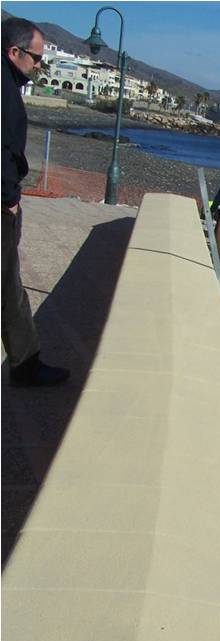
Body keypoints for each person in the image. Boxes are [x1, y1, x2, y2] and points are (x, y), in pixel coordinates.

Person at [2, 17, 69, 387]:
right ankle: (26, 365)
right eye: (36, 58)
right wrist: (10, 200)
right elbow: (5, 153)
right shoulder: (6, 93)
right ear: (15, 52)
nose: (39, 65)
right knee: (7, 286)